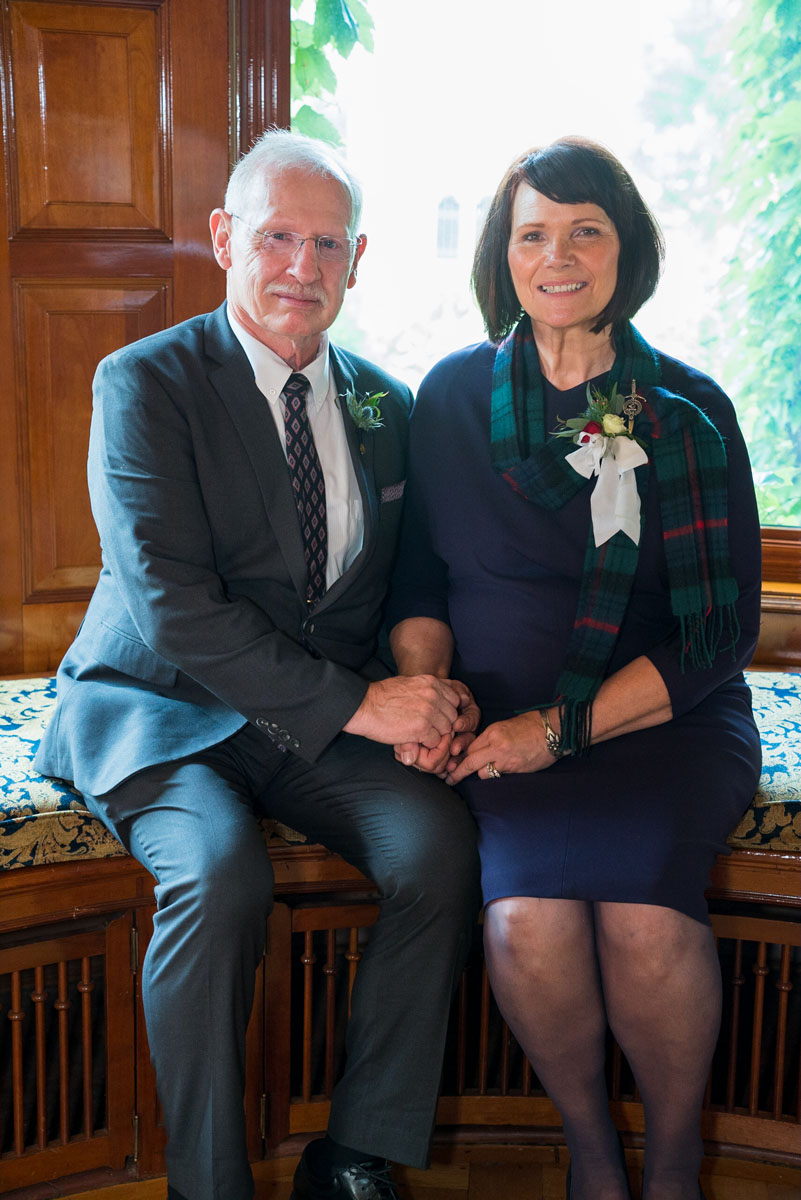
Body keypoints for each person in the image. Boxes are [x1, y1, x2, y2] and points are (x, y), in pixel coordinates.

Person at [35, 129, 480, 1200]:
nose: (301, 266)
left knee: (437, 849)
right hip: (162, 706)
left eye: (327, 244)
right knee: (220, 874)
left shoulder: (386, 404)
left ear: (357, 261)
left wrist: (427, 694)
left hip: (309, 726)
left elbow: (409, 580)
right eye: (278, 236)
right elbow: (173, 608)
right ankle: (209, 1183)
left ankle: (354, 1154)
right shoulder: (145, 381)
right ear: (225, 237)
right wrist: (365, 707)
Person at [388, 137, 762, 1200]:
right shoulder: (450, 398)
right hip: (501, 721)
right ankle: (593, 1158)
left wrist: (558, 732)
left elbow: (718, 633)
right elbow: (420, 584)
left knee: (644, 917)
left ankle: (676, 1167)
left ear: (625, 249)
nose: (557, 257)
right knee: (525, 920)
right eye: (533, 234)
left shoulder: (687, 411)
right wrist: (432, 697)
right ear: (501, 256)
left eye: (584, 231)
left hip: (665, 721)